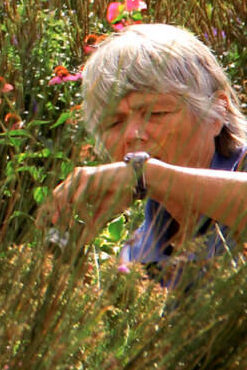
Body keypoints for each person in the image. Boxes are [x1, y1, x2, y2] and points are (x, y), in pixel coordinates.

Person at [39, 23, 247, 279]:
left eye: (156, 113)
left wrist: (147, 174)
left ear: (218, 111)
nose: (131, 135)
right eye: (113, 123)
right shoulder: (136, 256)